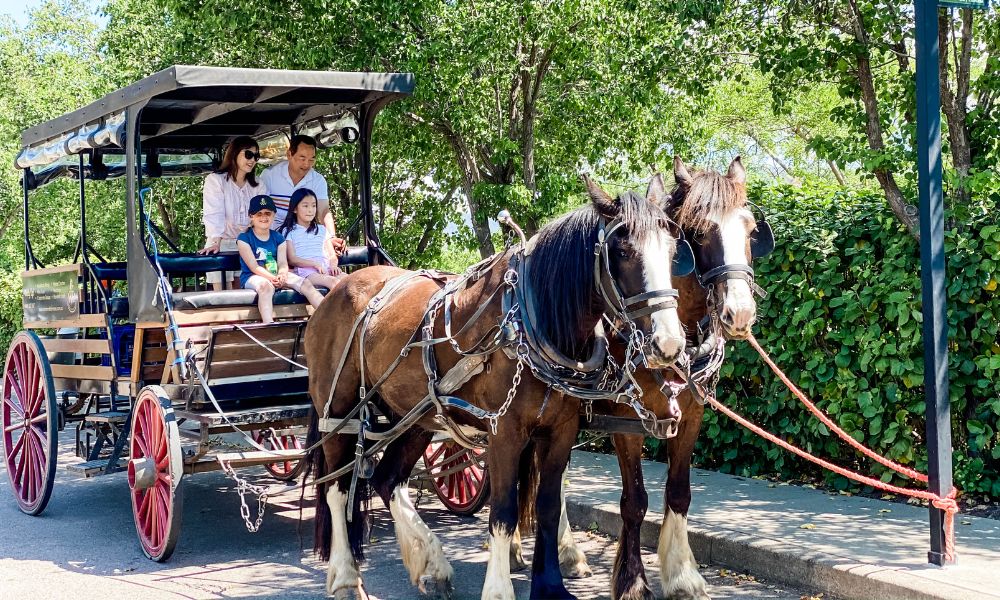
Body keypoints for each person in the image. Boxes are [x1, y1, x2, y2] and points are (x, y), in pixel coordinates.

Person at [237, 195, 325, 324]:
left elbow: (283, 262)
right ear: (251, 216)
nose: (264, 217)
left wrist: (282, 274)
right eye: (259, 214)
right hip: (253, 276)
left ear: (273, 215)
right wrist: (272, 278)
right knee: (265, 286)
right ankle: (269, 325)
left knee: (305, 283)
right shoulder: (244, 238)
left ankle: (327, 315)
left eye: (268, 213)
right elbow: (253, 266)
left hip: (277, 274)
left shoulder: (278, 237)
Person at [260, 134, 347, 255]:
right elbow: (261, 209)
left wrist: (331, 236)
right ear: (289, 155)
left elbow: (323, 211)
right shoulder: (269, 175)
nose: (307, 164)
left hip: (303, 237)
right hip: (272, 237)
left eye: (312, 159)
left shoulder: (318, 180)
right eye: (302, 158)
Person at [198, 136, 266, 290]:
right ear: (234, 153)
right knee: (225, 297)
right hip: (222, 243)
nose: (252, 160)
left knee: (246, 295)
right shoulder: (216, 180)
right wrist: (216, 241)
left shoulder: (258, 184)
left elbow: (262, 216)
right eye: (248, 154)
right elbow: (214, 213)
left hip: (248, 244)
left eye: (256, 156)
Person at [277, 188, 346, 291]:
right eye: (305, 206)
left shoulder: (322, 230)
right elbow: (292, 259)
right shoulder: (289, 231)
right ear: (295, 209)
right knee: (333, 282)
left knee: (351, 281)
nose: (310, 210)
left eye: (313, 206)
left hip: (326, 269)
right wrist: (314, 264)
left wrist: (333, 266)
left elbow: (332, 255)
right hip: (306, 272)